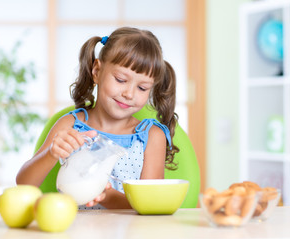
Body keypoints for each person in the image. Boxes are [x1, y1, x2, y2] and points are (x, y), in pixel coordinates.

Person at [16, 26, 179, 209]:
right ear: (96, 71)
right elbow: (24, 184)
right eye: (120, 80)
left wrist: (106, 196)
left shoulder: (150, 136)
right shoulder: (71, 125)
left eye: (142, 88)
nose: (129, 94)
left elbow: (151, 206)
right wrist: (52, 153)